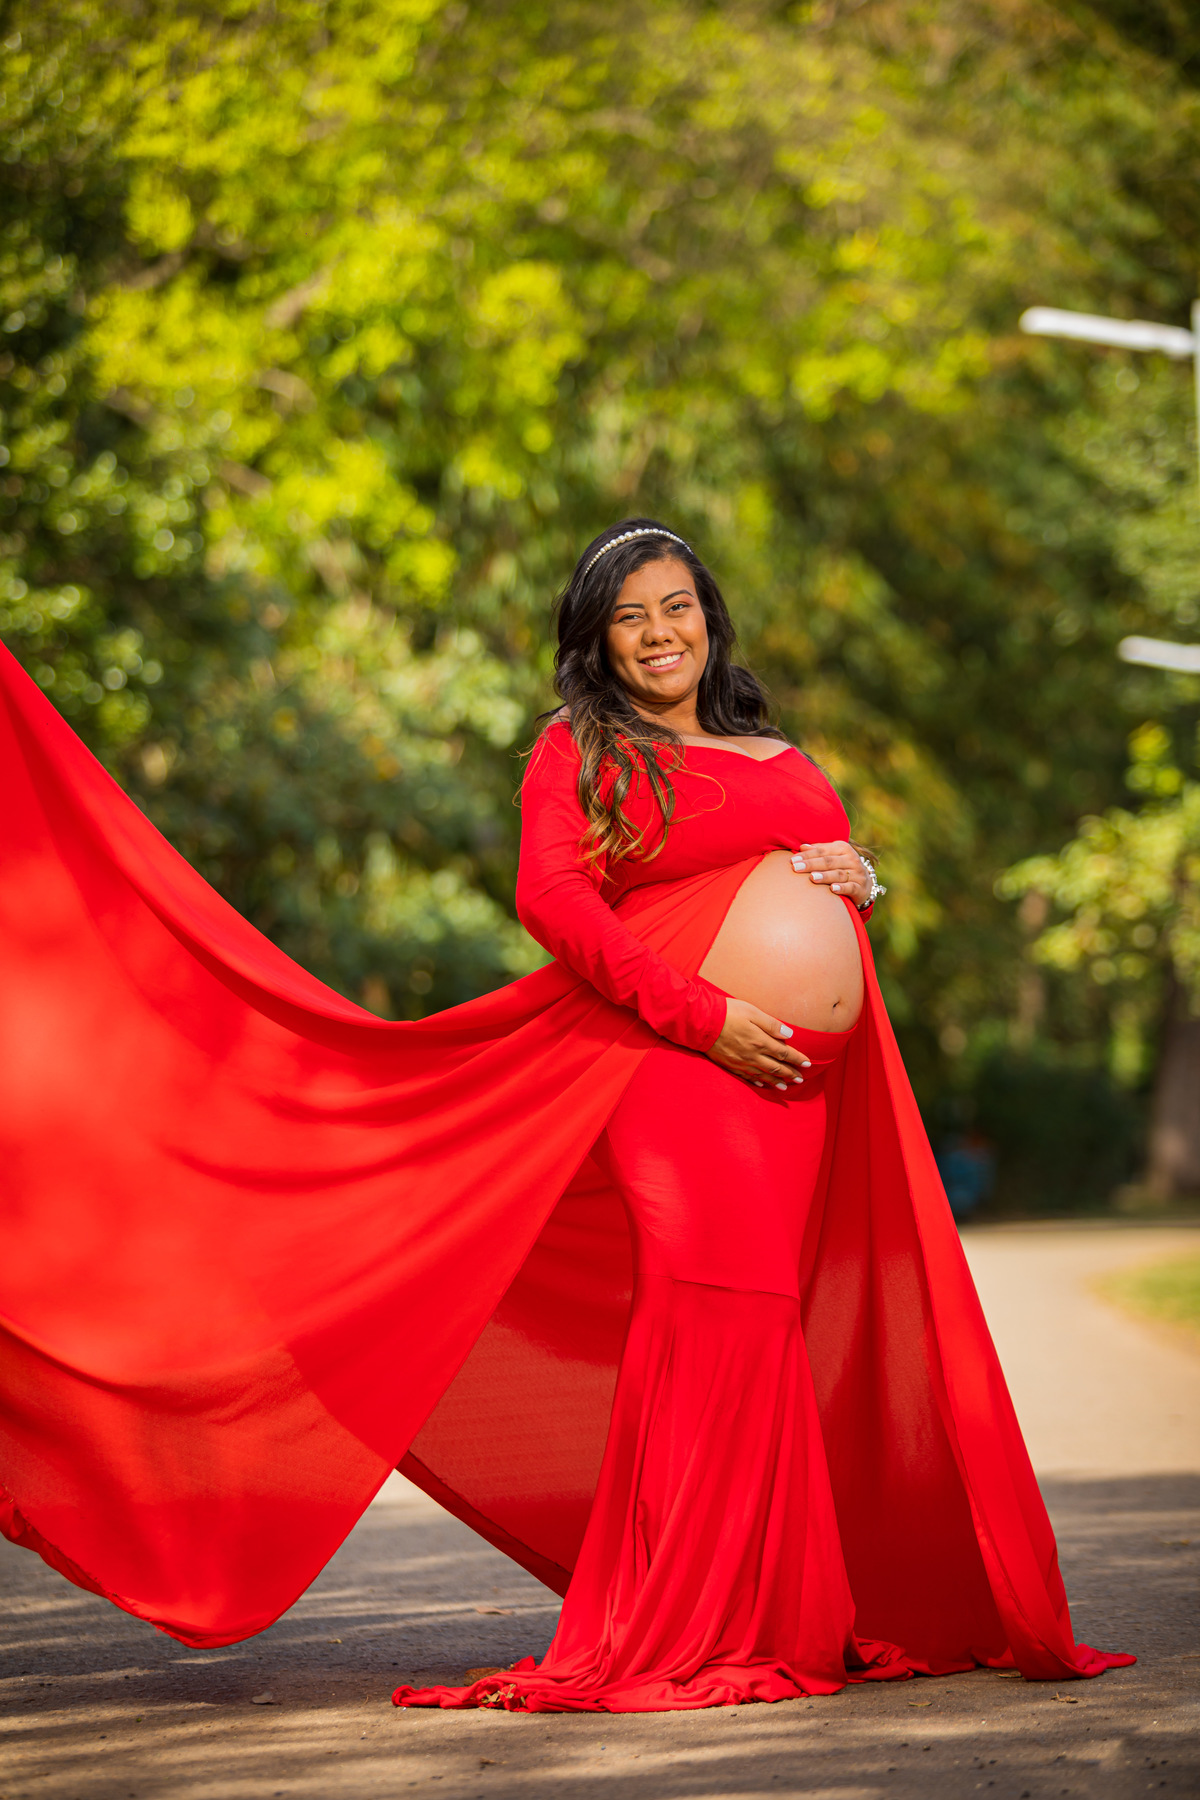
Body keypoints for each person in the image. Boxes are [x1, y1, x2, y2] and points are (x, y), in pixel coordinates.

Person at [0, 519, 1129, 1707]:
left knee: (766, 1324)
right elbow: (557, 902)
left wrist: (859, 877)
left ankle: (777, 1607)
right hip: (670, 1066)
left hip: (794, 1088)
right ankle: (685, 1620)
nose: (660, 633)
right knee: (715, 1312)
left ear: (710, 617)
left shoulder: (775, 749)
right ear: (598, 639)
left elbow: (805, 873)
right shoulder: (581, 747)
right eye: (631, 616)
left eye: (677, 607)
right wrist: (701, 1015)